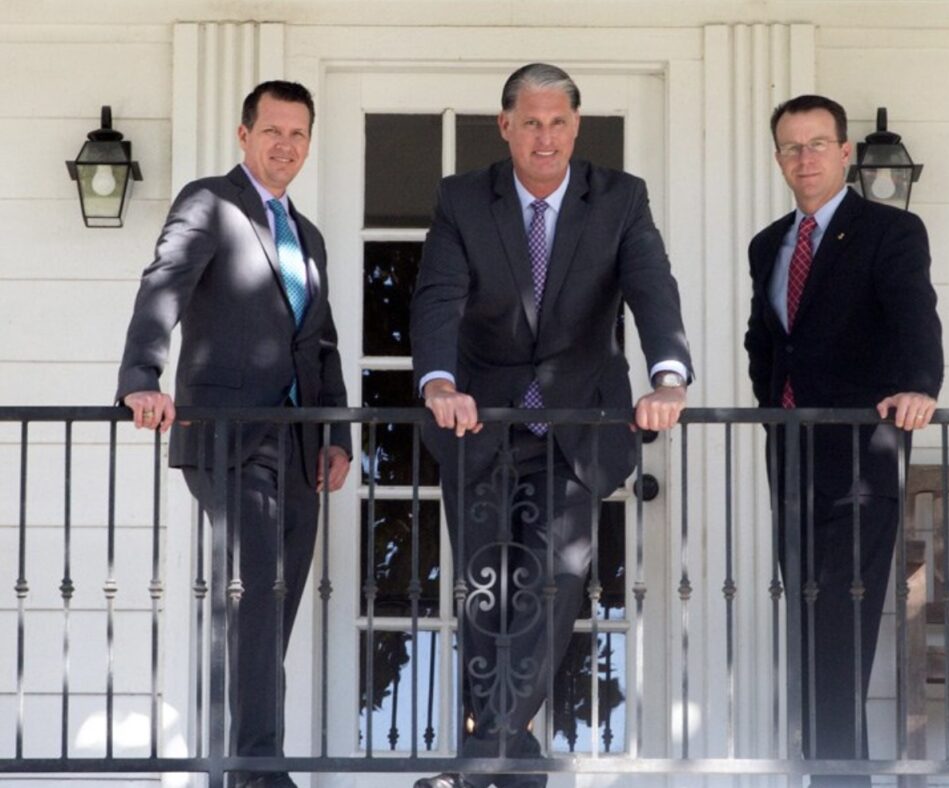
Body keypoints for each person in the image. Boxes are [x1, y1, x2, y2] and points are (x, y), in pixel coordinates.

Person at [409, 63, 693, 788]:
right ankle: (509, 760)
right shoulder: (463, 199)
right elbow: (437, 298)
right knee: (486, 593)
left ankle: (490, 751)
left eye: (558, 122)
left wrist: (669, 377)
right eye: (530, 122)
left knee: (553, 585)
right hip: (480, 423)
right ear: (505, 126)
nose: (545, 137)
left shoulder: (620, 198)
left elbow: (652, 288)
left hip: (575, 424)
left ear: (576, 126)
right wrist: (438, 384)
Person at [116, 80, 351, 788]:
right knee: (258, 597)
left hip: (299, 445)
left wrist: (335, 434)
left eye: (298, 134)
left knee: (272, 612)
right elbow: (164, 283)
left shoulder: (308, 236)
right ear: (244, 135)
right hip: (229, 435)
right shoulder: (210, 203)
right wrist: (141, 376)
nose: (286, 145)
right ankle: (256, 769)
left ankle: (243, 762)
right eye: (273, 130)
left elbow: (322, 344)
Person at [744, 94, 943, 787]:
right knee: (807, 622)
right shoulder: (768, 244)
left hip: (863, 453)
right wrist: (772, 411)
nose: (805, 158)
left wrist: (920, 386)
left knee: (841, 620)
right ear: (778, 158)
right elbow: (765, 342)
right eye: (791, 147)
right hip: (791, 455)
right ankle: (828, 772)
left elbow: (916, 314)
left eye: (817, 144)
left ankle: (838, 779)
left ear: (845, 153)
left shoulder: (891, 230)